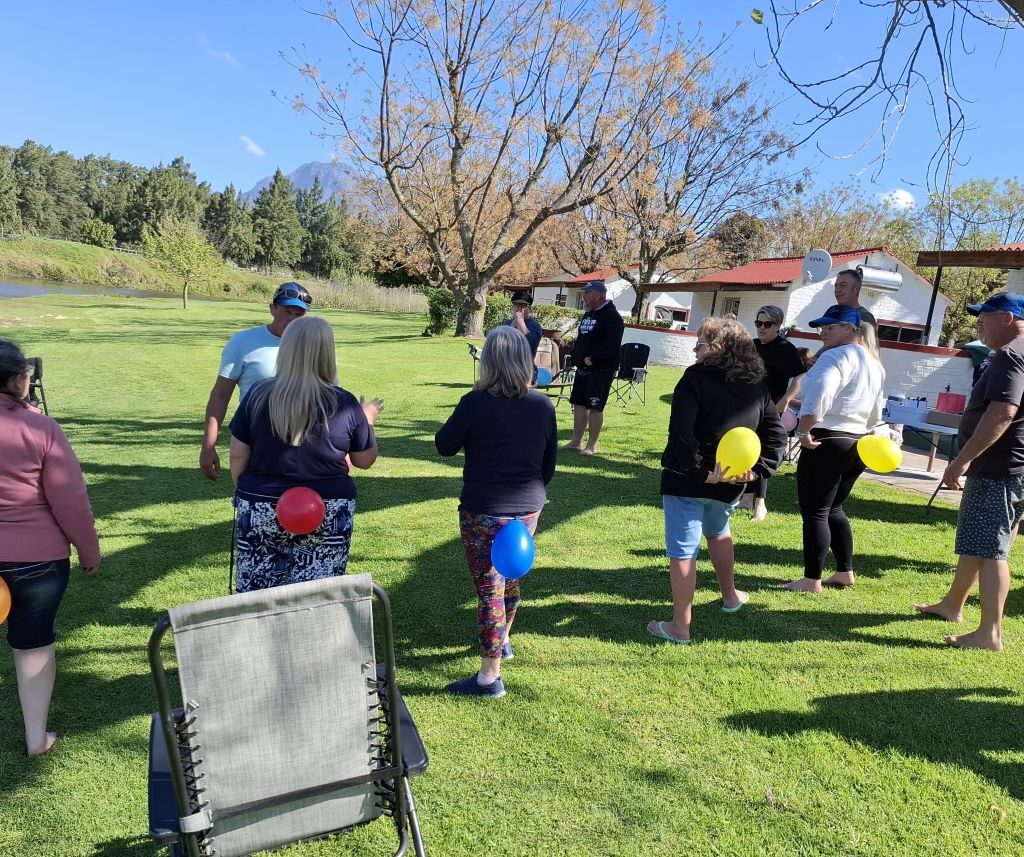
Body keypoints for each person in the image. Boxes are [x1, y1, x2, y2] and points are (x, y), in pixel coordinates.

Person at [435, 326, 557, 697]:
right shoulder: (542, 405)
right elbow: (548, 466)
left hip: (484, 509)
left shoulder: (475, 402)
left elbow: (444, 445)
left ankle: (490, 676)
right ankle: (502, 639)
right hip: (528, 507)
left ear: (488, 361)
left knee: (490, 588)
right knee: (509, 577)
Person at [648, 318, 787, 644]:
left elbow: (681, 434)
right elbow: (777, 436)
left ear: (719, 347)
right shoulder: (756, 384)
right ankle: (730, 596)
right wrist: (758, 471)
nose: (695, 347)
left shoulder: (695, 379)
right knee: (718, 533)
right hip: (728, 482)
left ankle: (680, 627)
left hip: (689, 480)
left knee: (684, 551)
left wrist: (700, 471)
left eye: (701, 341)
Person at [228, 316, 382, 592]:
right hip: (329, 509)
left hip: (260, 503)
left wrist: (248, 493)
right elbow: (364, 459)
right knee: (319, 594)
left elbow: (238, 453)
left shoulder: (258, 395)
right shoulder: (344, 402)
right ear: (327, 353)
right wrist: (366, 421)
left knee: (257, 592)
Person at [0, 341, 101, 758]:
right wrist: (89, 550)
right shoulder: (42, 429)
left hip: (31, 558)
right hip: (36, 561)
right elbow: (70, 500)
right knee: (33, 642)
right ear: (20, 380)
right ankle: (36, 737)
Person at [915, 292, 1024, 650]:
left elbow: (1002, 412)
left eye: (985, 316)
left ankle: (989, 633)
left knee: (993, 549)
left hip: (1000, 466)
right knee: (979, 540)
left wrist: (963, 458)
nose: (979, 323)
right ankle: (952, 605)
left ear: (1007, 318)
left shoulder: (1011, 355)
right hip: (1012, 467)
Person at [782, 305, 885, 592]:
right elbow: (877, 410)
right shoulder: (873, 362)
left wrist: (803, 430)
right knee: (834, 508)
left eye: (831, 327)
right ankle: (844, 572)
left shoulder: (835, 356)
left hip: (828, 439)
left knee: (815, 510)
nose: (823, 332)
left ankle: (811, 579)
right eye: (822, 327)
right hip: (859, 443)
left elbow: (820, 394)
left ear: (850, 330)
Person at [200, 282, 313, 480]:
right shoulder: (243, 342)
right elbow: (220, 395)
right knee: (255, 503)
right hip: (255, 441)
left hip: (304, 443)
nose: (293, 319)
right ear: (272, 309)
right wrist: (208, 446)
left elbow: (329, 396)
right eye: (287, 311)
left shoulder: (314, 345)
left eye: (299, 314)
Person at [744, 305, 807, 522]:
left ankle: (760, 504)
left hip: (771, 408)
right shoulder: (751, 346)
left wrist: (786, 399)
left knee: (761, 452)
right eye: (758, 323)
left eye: (767, 324)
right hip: (748, 406)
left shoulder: (785, 348)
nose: (762, 328)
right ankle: (747, 496)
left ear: (778, 326)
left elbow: (800, 377)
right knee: (746, 449)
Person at [563, 281, 624, 456]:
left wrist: (593, 359)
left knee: (595, 406)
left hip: (601, 369)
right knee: (579, 403)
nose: (584, 297)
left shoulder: (612, 316)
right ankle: (576, 441)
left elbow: (612, 344)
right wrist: (576, 356)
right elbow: (582, 339)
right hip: (583, 367)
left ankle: (591, 445)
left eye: (587, 294)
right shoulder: (589, 314)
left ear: (598, 295)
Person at [504, 290, 543, 356]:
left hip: (524, 365)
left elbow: (530, 345)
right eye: (516, 304)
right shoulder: (506, 323)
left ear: (530, 309)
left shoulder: (535, 326)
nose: (519, 308)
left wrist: (520, 320)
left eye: (523, 305)